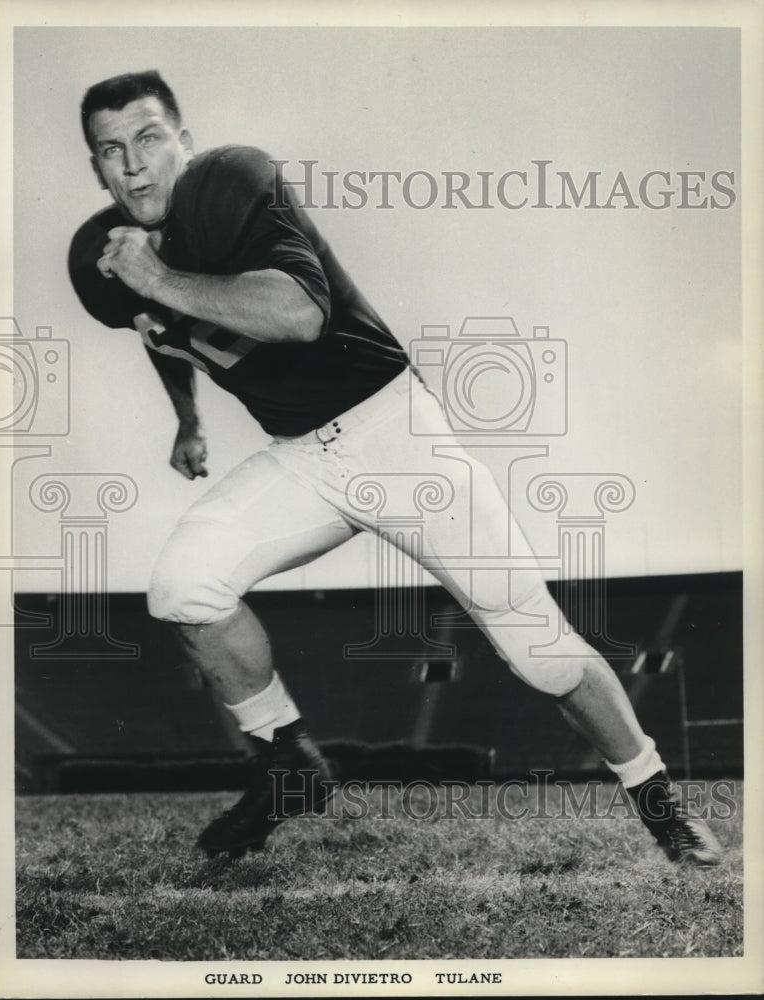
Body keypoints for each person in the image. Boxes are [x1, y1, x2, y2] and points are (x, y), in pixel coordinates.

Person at [69, 70, 722, 866]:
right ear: (97, 169)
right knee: (181, 584)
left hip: (397, 437)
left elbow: (298, 316)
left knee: (540, 652)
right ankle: (290, 763)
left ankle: (663, 811)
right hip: (303, 457)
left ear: (185, 142)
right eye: (111, 151)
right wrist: (188, 420)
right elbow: (161, 333)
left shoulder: (232, 184)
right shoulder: (118, 257)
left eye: (147, 139)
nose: (133, 165)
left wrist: (161, 280)